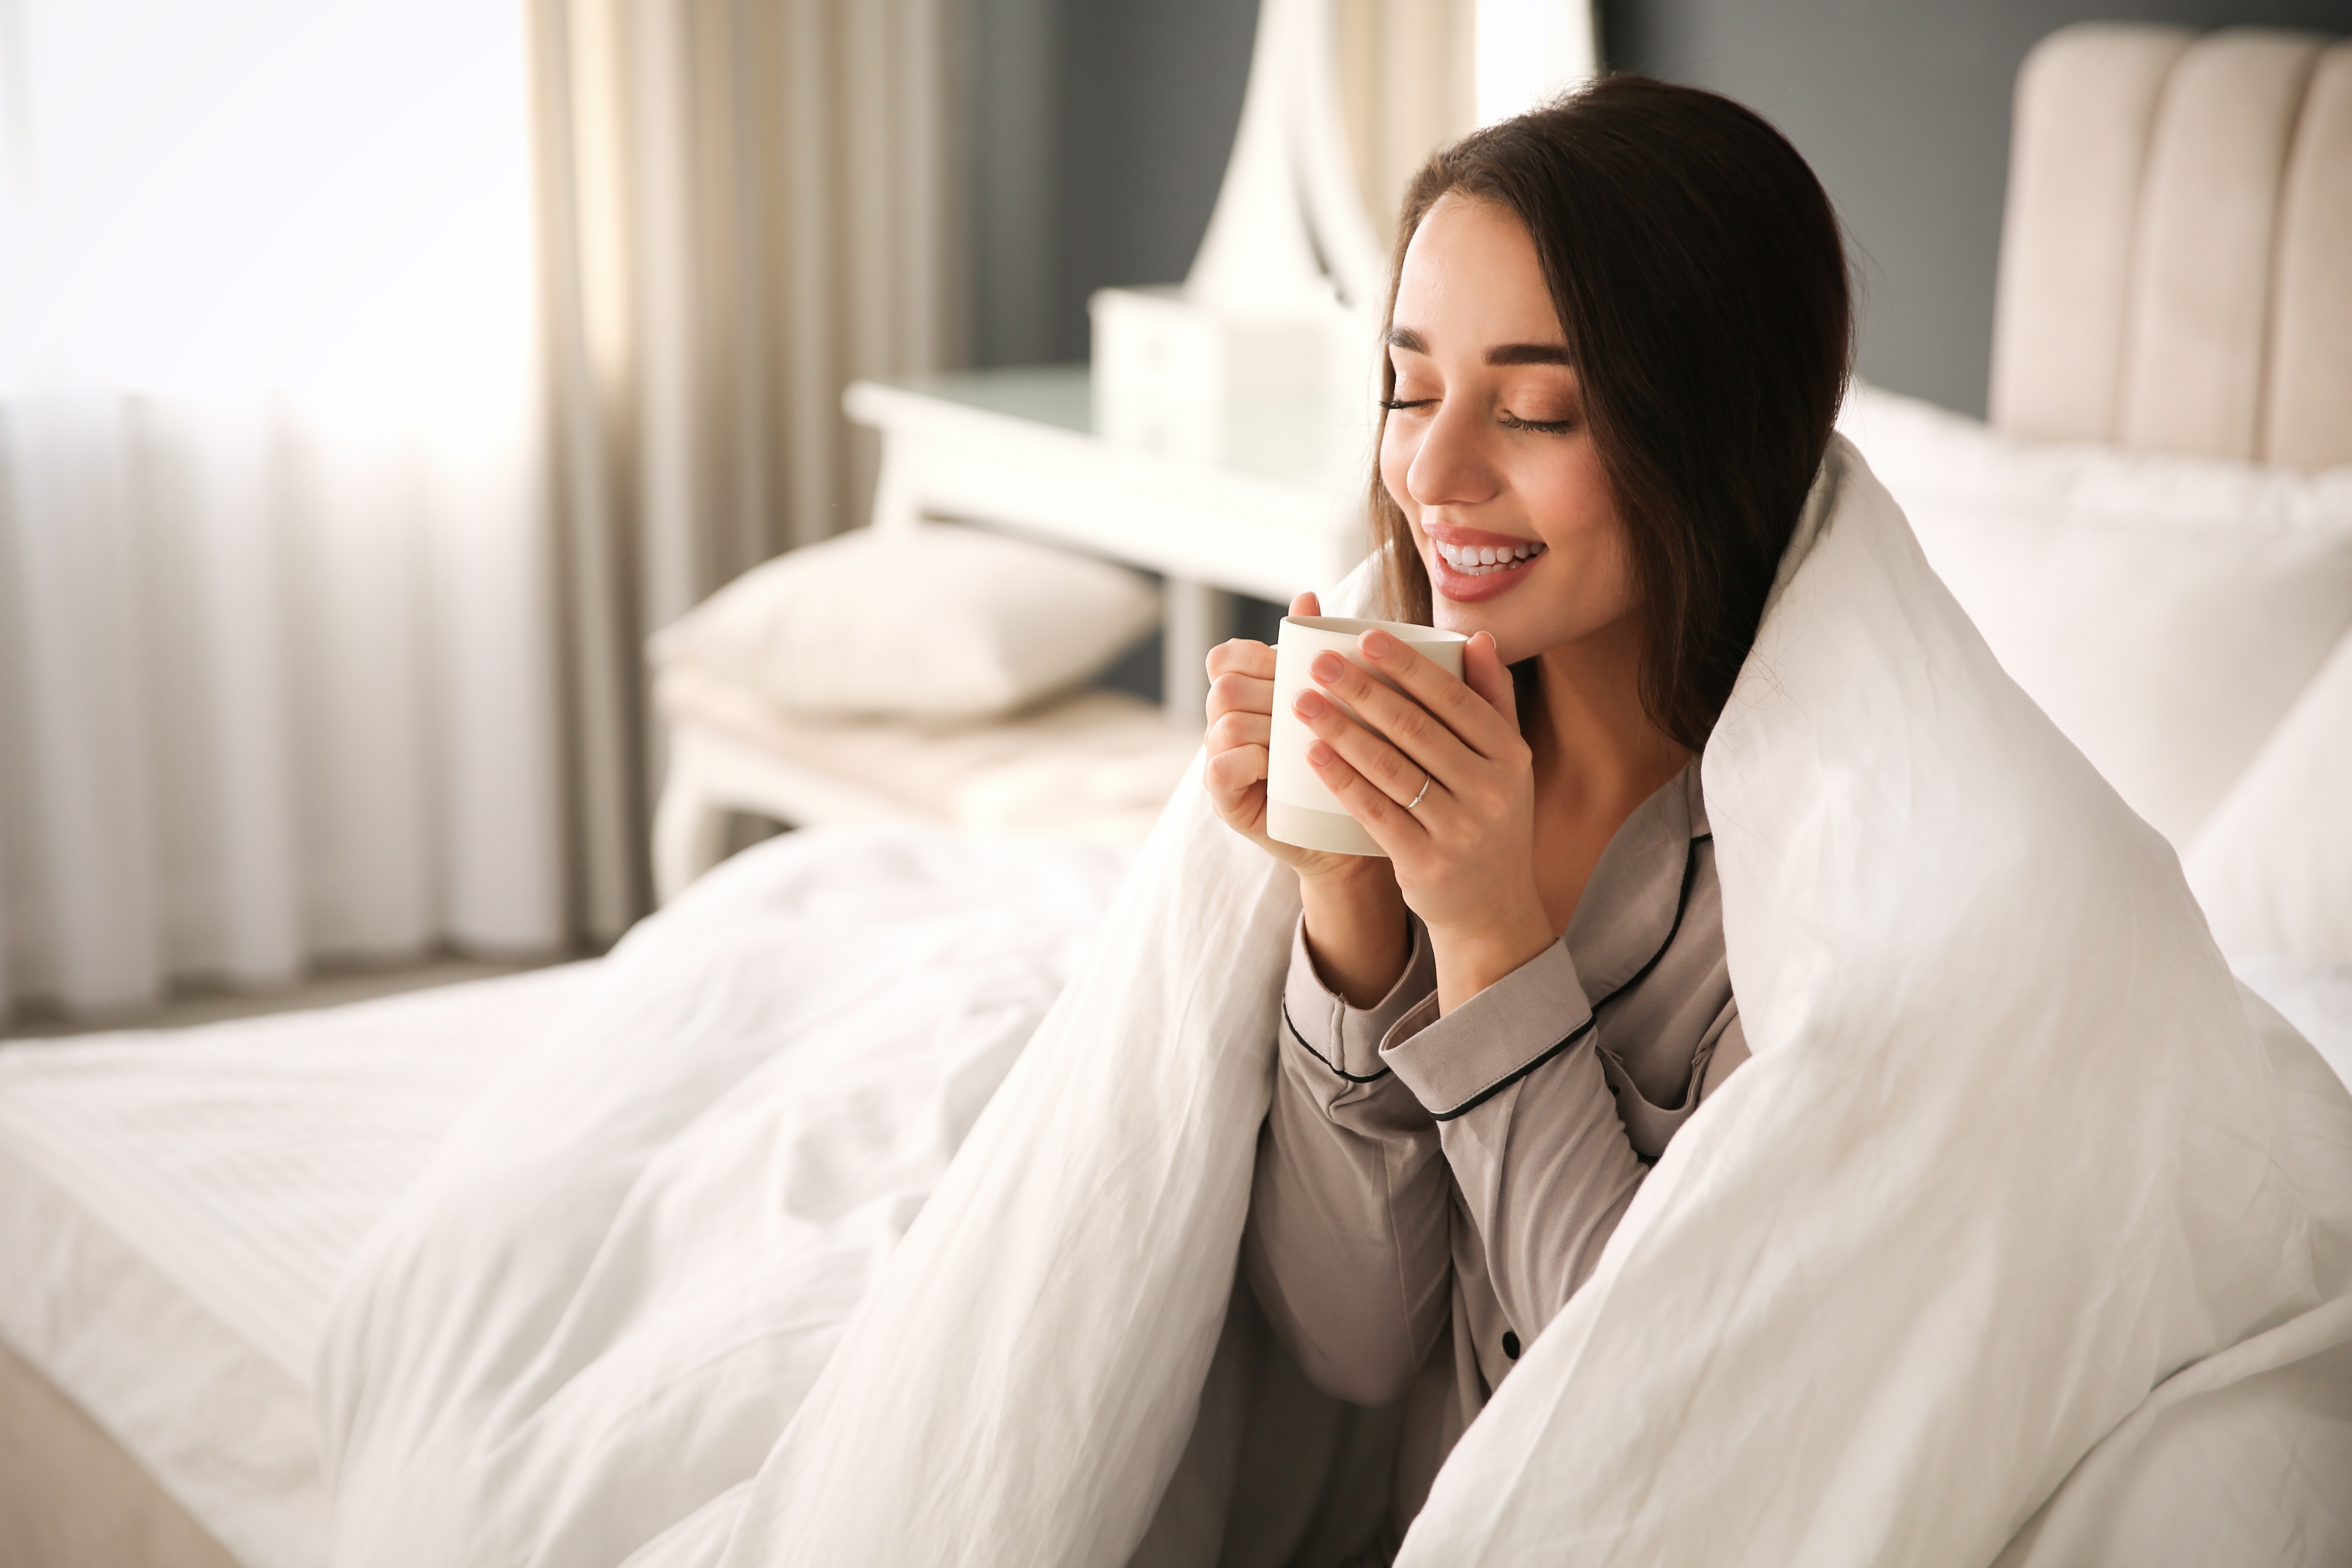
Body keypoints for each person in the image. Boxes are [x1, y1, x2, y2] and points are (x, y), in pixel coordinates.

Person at [1200, 76, 1852, 1543]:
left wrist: (1491, 935)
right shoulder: (1425, 739)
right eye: (1408, 388)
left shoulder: (1823, 892)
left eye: (1537, 407)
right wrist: (1353, 909)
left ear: (1713, 435)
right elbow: (1353, 1344)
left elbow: (1640, 1410)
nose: (1432, 475)